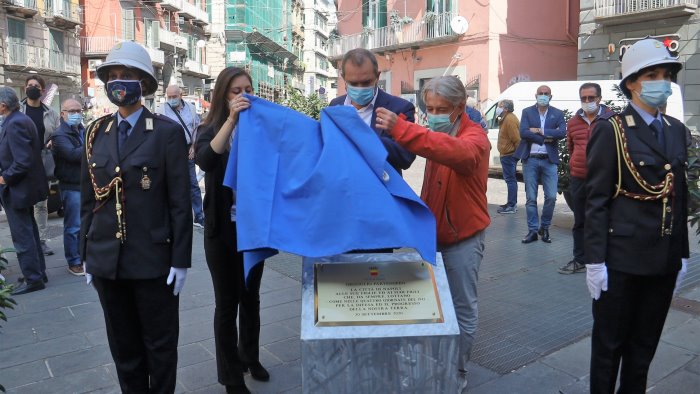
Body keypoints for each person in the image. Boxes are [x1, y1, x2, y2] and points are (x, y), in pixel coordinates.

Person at [80, 41, 192, 393]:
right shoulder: (96, 133)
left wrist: (181, 260)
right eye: (112, 75)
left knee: (159, 347)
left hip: (152, 262)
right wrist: (86, 252)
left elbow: (179, 202)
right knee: (123, 348)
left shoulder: (166, 133)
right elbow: (88, 200)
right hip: (106, 263)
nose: (118, 82)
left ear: (142, 82)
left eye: (125, 75)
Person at [585, 38, 689, 393]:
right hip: (621, 262)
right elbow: (596, 199)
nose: (663, 82)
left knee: (643, 349)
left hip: (663, 261)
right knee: (608, 348)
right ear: (632, 82)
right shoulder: (611, 129)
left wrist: (682, 254)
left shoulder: (676, 129)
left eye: (666, 75)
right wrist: (594, 261)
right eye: (653, 75)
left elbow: (679, 195)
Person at [375, 75, 490, 392]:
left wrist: (401, 129)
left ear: (460, 107)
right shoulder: (443, 131)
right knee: (432, 306)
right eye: (430, 108)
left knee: (463, 309)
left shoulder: (474, 137)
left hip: (463, 240)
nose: (435, 114)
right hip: (433, 238)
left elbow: (456, 153)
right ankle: (433, 362)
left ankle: (457, 371)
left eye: (442, 108)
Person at [195, 66, 268, 394]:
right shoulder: (209, 128)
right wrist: (231, 121)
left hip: (252, 228)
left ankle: (249, 356)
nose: (244, 95)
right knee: (227, 303)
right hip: (221, 229)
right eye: (236, 90)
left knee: (250, 298)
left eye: (248, 89)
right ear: (223, 94)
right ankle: (231, 376)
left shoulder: (260, 129)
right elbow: (207, 160)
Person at [329, 48, 416, 174]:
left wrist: (365, 138)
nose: (360, 88)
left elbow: (406, 158)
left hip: (380, 189)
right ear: (343, 78)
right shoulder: (335, 105)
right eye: (353, 83)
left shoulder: (400, 108)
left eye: (366, 82)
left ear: (377, 76)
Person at [558, 83, 613, 275]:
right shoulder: (573, 122)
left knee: (603, 220)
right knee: (580, 220)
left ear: (599, 98)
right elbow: (571, 147)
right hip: (579, 178)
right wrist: (577, 164)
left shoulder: (611, 120)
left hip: (604, 180)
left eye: (591, 98)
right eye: (584, 98)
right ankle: (580, 259)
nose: (588, 102)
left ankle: (603, 260)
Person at [0, 87, 49, 295]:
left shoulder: (16, 122)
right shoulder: (19, 119)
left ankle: (33, 278)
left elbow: (22, 161)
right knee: (30, 231)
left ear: (3, 105)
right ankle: (37, 272)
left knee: (23, 236)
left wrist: (5, 177)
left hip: (18, 189)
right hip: (24, 188)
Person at [513, 85, 566, 243]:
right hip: (531, 159)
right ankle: (532, 231)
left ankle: (545, 227)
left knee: (551, 196)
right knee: (531, 198)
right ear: (535, 95)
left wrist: (541, 131)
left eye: (546, 94)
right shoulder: (527, 112)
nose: (543, 96)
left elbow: (562, 132)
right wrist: (546, 138)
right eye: (540, 93)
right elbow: (523, 132)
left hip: (549, 160)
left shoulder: (557, 113)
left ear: (551, 96)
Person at [20, 75, 60, 256]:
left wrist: (53, 142)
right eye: (30, 85)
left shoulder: (51, 112)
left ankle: (42, 241)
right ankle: (28, 241)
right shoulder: (17, 110)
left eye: (36, 86)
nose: (32, 88)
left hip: (43, 161)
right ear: (25, 88)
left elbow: (58, 134)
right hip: (22, 161)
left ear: (42, 91)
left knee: (42, 203)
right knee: (23, 201)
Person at [157, 85, 204, 228]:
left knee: (193, 184)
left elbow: (196, 128)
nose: (171, 99)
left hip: (188, 149)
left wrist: (194, 146)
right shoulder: (161, 110)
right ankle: (173, 215)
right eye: (169, 97)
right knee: (171, 183)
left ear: (180, 95)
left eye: (174, 96)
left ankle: (199, 215)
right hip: (170, 151)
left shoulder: (190, 108)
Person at [51, 98, 86, 276]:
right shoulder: (59, 135)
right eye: (72, 111)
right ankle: (73, 261)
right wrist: (92, 143)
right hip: (70, 185)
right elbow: (72, 155)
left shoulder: (82, 130)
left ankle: (82, 256)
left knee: (84, 224)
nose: (76, 114)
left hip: (84, 184)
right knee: (73, 226)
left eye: (79, 111)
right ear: (63, 113)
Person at [495, 99, 520, 214]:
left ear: (505, 108)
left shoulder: (509, 119)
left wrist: (516, 156)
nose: (497, 108)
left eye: (499, 106)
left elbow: (517, 139)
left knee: (510, 180)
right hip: (507, 154)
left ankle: (512, 205)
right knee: (509, 180)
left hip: (509, 155)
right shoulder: (506, 118)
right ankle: (510, 202)